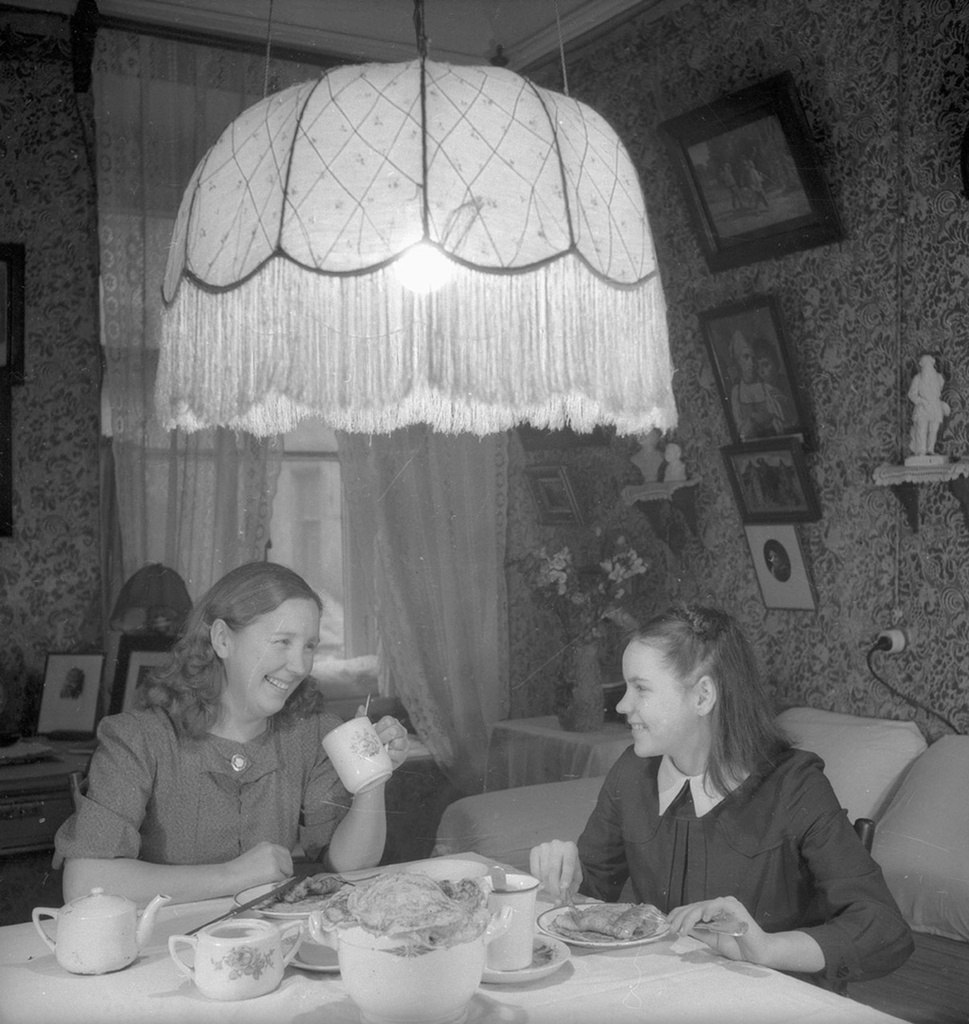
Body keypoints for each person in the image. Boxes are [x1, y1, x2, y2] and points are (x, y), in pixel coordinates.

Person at [529, 605, 913, 986]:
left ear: (703, 696)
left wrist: (766, 948)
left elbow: (885, 930)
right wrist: (566, 876)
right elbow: (590, 902)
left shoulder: (796, 786)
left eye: (641, 688)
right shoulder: (632, 771)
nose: (622, 705)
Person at [55, 561, 410, 905]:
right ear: (223, 640)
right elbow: (84, 882)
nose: (300, 665)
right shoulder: (138, 738)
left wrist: (372, 779)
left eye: (309, 646)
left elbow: (351, 866)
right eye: (282, 641)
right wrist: (233, 875)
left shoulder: (311, 733)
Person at [907, 353, 949, 458]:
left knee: (933, 430)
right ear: (922, 365)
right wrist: (921, 401)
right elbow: (911, 394)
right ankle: (921, 451)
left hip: (935, 407)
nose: (927, 366)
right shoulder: (918, 378)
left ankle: (930, 449)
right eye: (924, 364)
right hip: (922, 408)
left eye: (928, 363)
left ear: (932, 364)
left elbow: (938, 392)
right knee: (922, 429)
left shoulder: (939, 378)